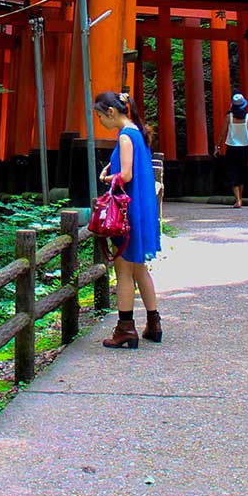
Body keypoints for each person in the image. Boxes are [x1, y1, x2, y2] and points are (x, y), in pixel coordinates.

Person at [94, 91, 162, 349]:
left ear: (112, 112)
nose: (101, 121)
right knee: (139, 268)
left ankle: (125, 329)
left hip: (126, 211)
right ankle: (153, 324)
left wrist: (105, 178)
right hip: (142, 209)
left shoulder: (125, 136)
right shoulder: (138, 132)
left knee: (123, 270)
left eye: (101, 116)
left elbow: (126, 174)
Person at [216, 92, 248, 208]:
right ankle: (241, 199)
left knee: (232, 172)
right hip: (245, 147)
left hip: (232, 147)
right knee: (242, 171)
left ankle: (237, 199)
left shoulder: (229, 117)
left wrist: (217, 146)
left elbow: (223, 133)